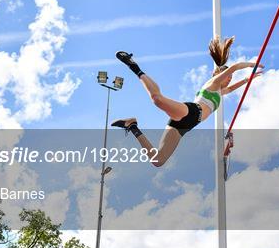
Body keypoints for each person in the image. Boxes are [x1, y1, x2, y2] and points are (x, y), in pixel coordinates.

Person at [112, 36, 263, 167]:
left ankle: (132, 125)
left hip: (187, 125)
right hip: (191, 111)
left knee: (157, 160)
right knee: (157, 99)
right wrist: (250, 65)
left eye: (231, 78)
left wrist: (246, 79)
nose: (230, 79)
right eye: (228, 76)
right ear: (219, 74)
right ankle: (134, 67)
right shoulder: (213, 84)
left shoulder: (219, 92)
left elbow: (231, 89)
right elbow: (234, 68)